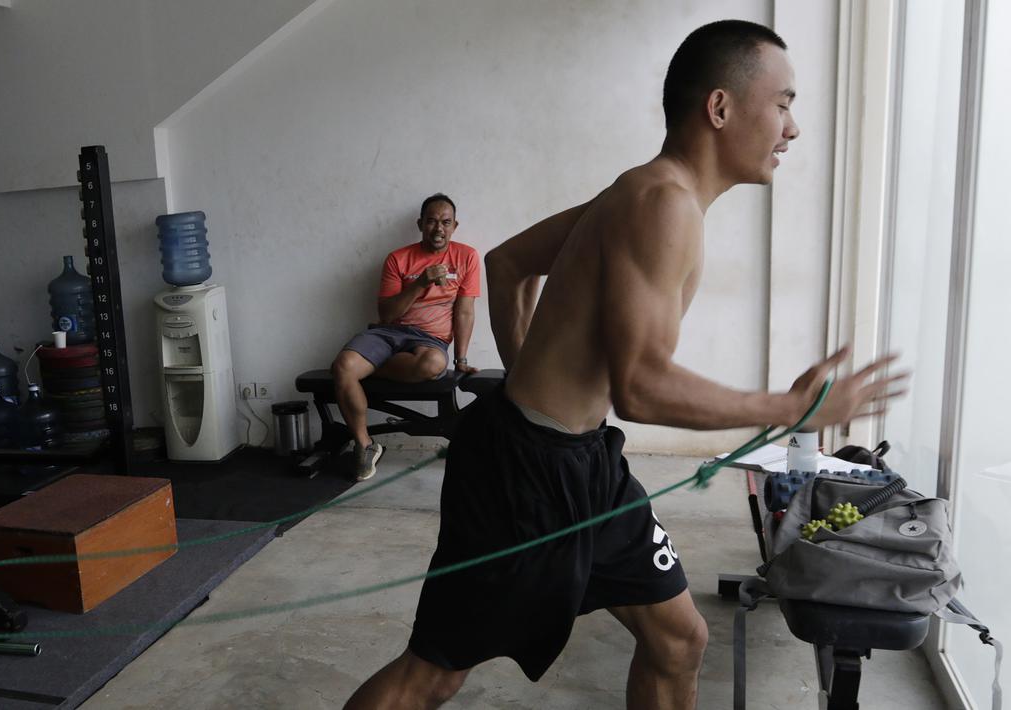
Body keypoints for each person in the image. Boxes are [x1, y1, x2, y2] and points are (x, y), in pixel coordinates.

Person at [345, 20, 907, 710]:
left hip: (582, 462)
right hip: (521, 476)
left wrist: (527, 382)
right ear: (721, 108)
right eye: (783, 103)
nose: (791, 128)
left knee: (678, 638)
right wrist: (792, 410)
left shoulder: (642, 192)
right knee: (431, 675)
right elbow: (638, 387)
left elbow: (508, 264)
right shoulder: (659, 204)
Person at [331, 193, 482, 482]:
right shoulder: (398, 258)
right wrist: (421, 283)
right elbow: (386, 315)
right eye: (432, 222)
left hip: (430, 340)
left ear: (455, 226)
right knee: (344, 367)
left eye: (446, 222)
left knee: (433, 365)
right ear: (420, 224)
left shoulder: (467, 257)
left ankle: (372, 363)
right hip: (388, 333)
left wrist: (461, 359)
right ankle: (365, 446)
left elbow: (464, 312)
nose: (439, 228)